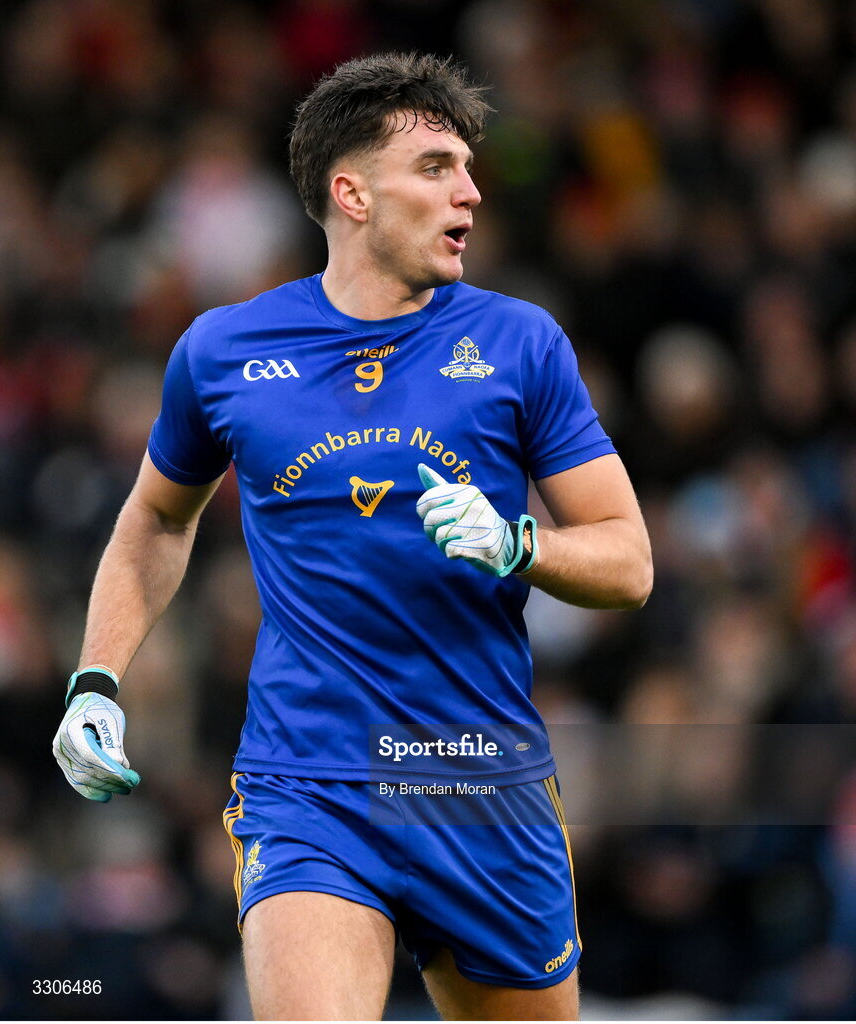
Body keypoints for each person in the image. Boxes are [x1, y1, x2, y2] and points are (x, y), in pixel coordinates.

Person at [53, 52, 652, 1021]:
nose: (469, 191)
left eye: (468, 168)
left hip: (479, 783)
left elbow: (628, 562)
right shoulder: (223, 350)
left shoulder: (521, 343)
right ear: (353, 193)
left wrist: (519, 545)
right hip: (310, 783)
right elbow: (156, 518)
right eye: (437, 167)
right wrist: (96, 678)